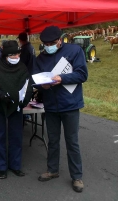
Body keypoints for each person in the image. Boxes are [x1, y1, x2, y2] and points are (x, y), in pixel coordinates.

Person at [33, 25, 88, 193]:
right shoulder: (41, 57)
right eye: (45, 44)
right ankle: (52, 170)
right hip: (50, 105)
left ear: (59, 40)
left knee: (72, 141)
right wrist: (43, 86)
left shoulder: (74, 51)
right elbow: (36, 77)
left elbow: (82, 74)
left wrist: (61, 78)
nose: (48, 46)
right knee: (53, 140)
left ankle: (77, 176)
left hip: (70, 105)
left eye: (51, 43)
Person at [0, 40, 33, 179]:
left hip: (16, 107)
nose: (15, 58)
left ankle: (15, 165)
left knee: (16, 136)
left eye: (18, 54)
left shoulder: (22, 67)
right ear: (5, 55)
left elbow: (28, 85)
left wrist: (24, 101)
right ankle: (1, 167)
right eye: (12, 55)